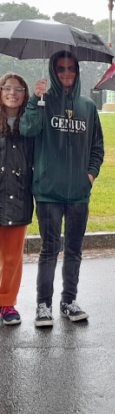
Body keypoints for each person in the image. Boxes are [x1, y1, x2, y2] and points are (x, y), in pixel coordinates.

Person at [20, 51, 105, 327]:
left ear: (77, 71)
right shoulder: (43, 103)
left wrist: (89, 176)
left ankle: (69, 301)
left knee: (74, 250)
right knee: (49, 249)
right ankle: (43, 305)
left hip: (79, 193)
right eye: (60, 69)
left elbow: (97, 148)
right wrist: (35, 99)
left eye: (71, 69)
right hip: (48, 193)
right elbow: (27, 130)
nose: (66, 74)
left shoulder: (88, 107)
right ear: (53, 70)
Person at [0, 74, 33, 326]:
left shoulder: (31, 125)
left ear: (25, 94)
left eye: (18, 89)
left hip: (19, 197)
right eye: (7, 88)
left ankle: (7, 303)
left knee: (12, 257)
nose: (12, 93)